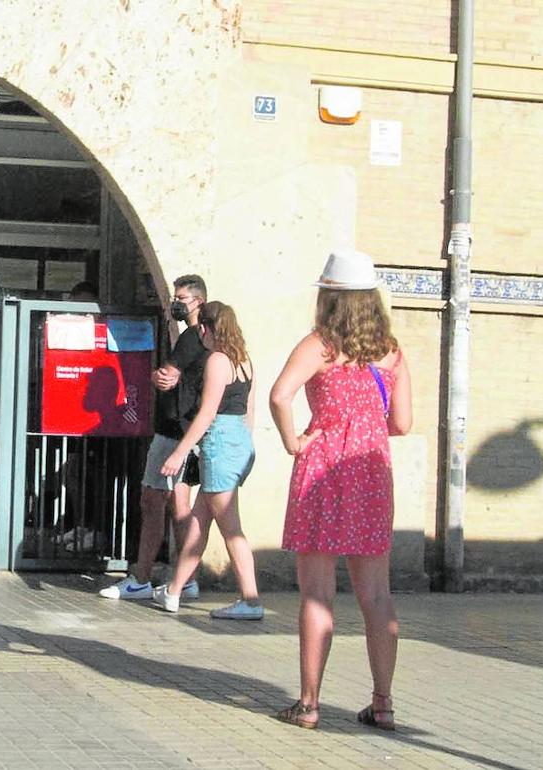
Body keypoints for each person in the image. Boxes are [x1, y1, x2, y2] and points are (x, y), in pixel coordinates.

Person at [268, 249, 412, 731]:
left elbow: (279, 394)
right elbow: (404, 423)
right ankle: (384, 702)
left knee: (317, 594)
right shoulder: (390, 351)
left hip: (324, 468)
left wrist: (295, 440)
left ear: (328, 298)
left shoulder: (320, 345)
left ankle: (308, 704)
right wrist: (366, 426)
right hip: (371, 473)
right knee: (376, 594)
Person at [98, 275, 207, 601]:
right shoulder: (201, 337)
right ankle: (185, 579)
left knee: (155, 499)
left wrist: (150, 374)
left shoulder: (191, 337)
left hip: (173, 432)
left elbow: (166, 378)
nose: (176, 303)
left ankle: (142, 577)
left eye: (182, 298)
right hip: (185, 431)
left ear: (198, 301)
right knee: (178, 504)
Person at [151, 301, 260, 618]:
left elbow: (207, 412)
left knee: (231, 530)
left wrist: (180, 450)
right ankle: (173, 591)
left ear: (206, 328)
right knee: (197, 525)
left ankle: (251, 600)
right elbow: (249, 412)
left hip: (219, 445)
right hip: (237, 442)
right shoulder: (245, 362)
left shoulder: (217, 361)